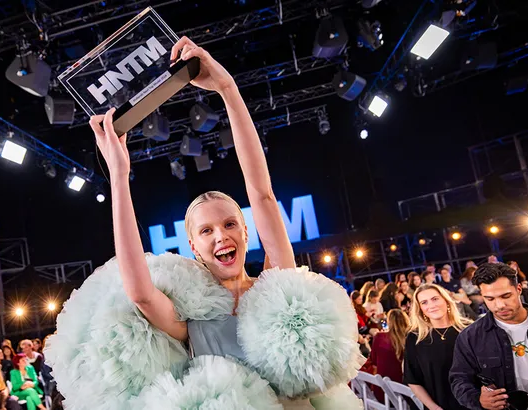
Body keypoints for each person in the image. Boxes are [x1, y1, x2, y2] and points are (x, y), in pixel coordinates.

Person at [46, 36, 363, 410]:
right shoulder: (189, 317)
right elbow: (140, 293)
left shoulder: (277, 282)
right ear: (193, 246)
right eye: (206, 231)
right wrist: (118, 173)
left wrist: (228, 89)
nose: (221, 236)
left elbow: (261, 193)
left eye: (229, 224)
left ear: (246, 231)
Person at [450, 263, 528, 409]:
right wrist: (479, 400)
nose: (499, 305)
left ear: (519, 289)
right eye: (490, 299)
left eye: (506, 296)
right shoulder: (470, 337)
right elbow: (459, 380)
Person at [403, 283, 470, 410]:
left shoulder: (468, 330)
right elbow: (413, 380)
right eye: (424, 302)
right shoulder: (415, 338)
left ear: (446, 301)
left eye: (435, 299)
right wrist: (434, 408)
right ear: (420, 309)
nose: (431, 305)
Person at [368, 308, 411, 402]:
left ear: (389, 322)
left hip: (382, 391)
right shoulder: (411, 339)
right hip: (406, 393)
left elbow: (374, 363)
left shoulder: (379, 337)